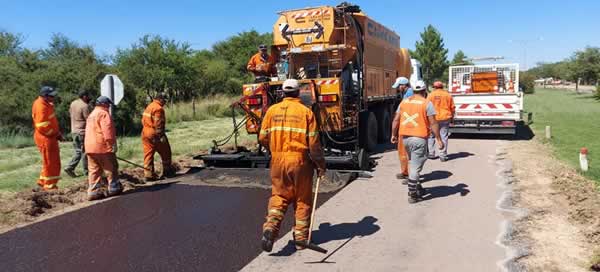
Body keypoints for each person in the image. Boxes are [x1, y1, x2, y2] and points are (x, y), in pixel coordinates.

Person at [258, 79, 327, 252]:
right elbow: (314, 144)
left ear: (282, 93)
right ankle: (301, 239)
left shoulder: (271, 111)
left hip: (277, 161)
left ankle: (270, 229)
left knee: (279, 196)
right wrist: (320, 165)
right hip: (300, 162)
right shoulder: (306, 112)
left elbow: (262, 137)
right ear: (298, 93)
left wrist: (274, 149)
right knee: (302, 200)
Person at [391, 80, 444, 204]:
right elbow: (433, 123)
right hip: (419, 138)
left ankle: (418, 187)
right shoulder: (426, 103)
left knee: (413, 162)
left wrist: (393, 134)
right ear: (424, 90)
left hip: (405, 138)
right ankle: (412, 194)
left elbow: (395, 120)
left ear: (413, 90)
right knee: (415, 166)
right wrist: (438, 139)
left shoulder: (404, 102)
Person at [84, 96, 123, 201]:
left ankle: (93, 191)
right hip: (102, 147)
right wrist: (112, 145)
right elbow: (108, 131)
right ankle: (114, 188)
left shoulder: (91, 115)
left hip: (89, 147)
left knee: (94, 170)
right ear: (104, 104)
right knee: (111, 167)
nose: (109, 106)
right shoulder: (103, 114)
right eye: (108, 104)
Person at [32, 86, 63, 190]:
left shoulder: (45, 104)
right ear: (45, 96)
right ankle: (49, 186)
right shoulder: (41, 106)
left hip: (49, 137)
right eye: (51, 96)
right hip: (46, 138)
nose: (53, 98)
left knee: (49, 161)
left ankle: (41, 183)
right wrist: (54, 134)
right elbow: (42, 125)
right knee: (51, 162)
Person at [141, 93, 175, 182]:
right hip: (154, 133)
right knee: (166, 150)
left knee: (148, 154)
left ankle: (148, 174)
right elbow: (158, 123)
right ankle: (167, 171)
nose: (165, 102)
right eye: (164, 100)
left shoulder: (150, 106)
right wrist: (161, 136)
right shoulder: (158, 109)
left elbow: (143, 120)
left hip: (145, 132)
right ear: (160, 99)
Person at [391, 77, 413, 184]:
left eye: (399, 86)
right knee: (404, 153)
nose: (398, 88)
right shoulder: (408, 93)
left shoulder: (409, 95)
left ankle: (410, 176)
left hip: (407, 128)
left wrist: (393, 133)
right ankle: (405, 172)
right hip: (409, 126)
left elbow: (398, 116)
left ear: (404, 85)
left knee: (407, 153)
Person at [64, 90, 91, 177]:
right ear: (84, 96)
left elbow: (70, 114)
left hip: (74, 131)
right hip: (82, 132)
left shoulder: (73, 103)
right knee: (84, 152)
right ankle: (86, 172)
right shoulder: (85, 106)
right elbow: (89, 119)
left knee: (78, 151)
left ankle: (70, 168)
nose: (89, 97)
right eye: (88, 96)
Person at [427, 81, 455, 162]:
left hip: (433, 118)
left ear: (434, 87)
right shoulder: (448, 95)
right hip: (445, 118)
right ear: (442, 87)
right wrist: (452, 118)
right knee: (443, 136)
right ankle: (442, 155)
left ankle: (431, 153)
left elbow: (426, 107)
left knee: (431, 136)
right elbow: (452, 108)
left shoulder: (430, 95)